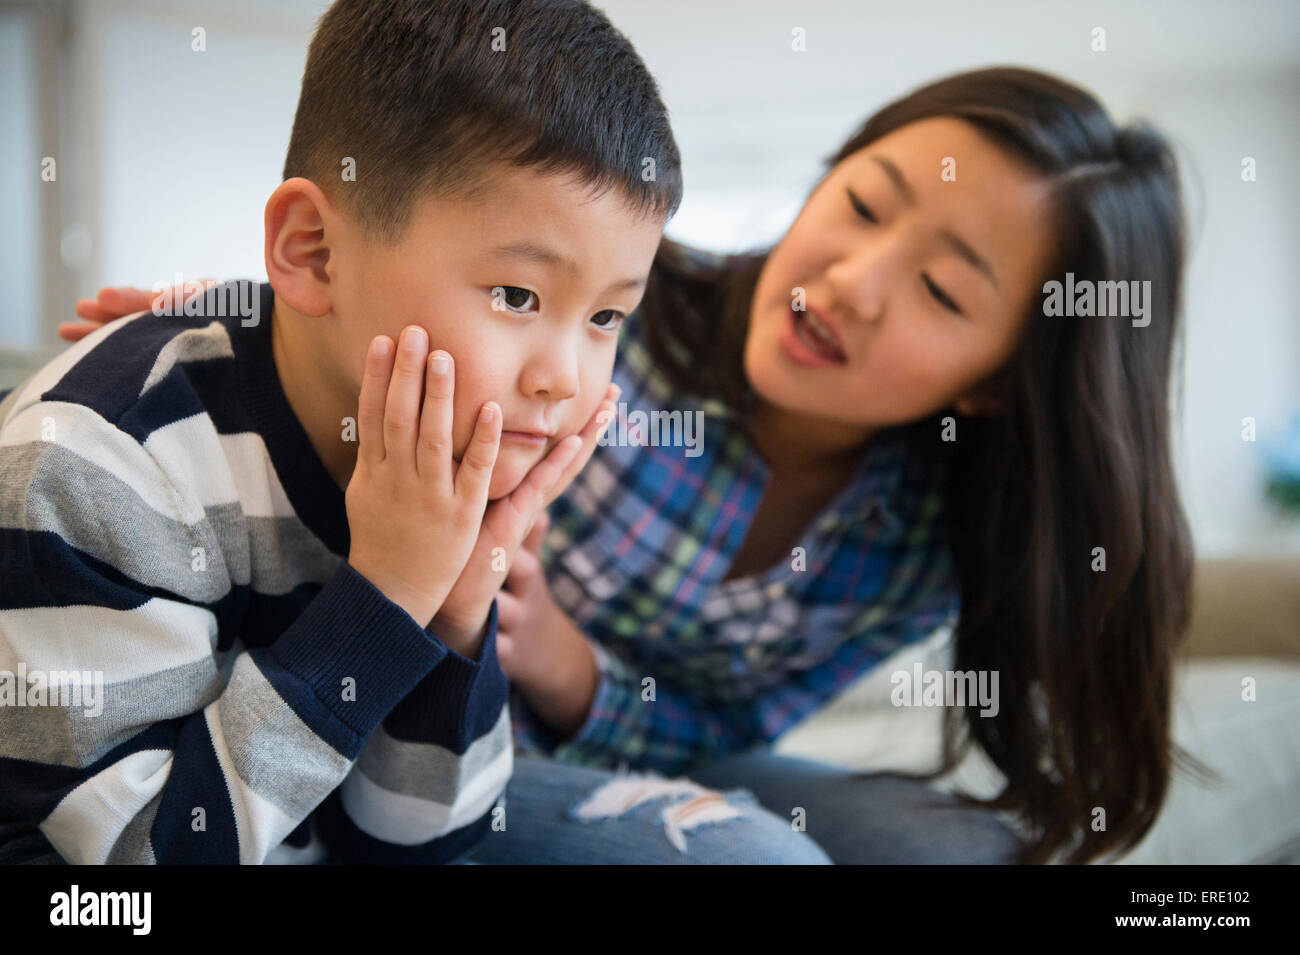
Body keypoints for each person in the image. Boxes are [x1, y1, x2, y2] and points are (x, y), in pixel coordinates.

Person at [59, 65, 1200, 865]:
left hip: (548, 728)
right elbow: (408, 292)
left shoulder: (925, 541)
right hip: (417, 715)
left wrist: (568, 667)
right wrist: (250, 329)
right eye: (858, 203)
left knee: (962, 849)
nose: (851, 278)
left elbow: (726, 733)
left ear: (994, 381)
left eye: (944, 292)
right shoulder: (609, 305)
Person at [1, 0, 831, 866]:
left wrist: (461, 612)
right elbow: (126, 874)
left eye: (608, 314)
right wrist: (386, 597)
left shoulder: (470, 471)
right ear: (314, 252)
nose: (565, 378)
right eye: (517, 296)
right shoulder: (106, 462)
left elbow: (413, 848)